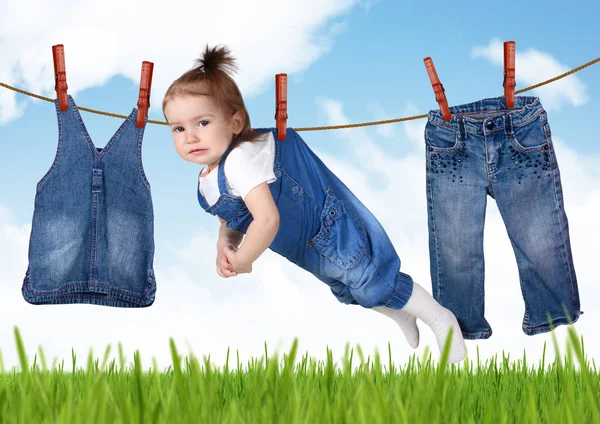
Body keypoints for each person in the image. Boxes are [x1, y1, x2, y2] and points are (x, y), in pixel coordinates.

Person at [162, 44, 467, 363]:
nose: (190, 137)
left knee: (366, 275)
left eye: (202, 123)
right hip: (304, 244)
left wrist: (243, 260)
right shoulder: (209, 177)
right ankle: (401, 312)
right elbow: (232, 216)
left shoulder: (239, 161)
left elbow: (266, 220)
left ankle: (440, 319)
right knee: (347, 286)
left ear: (235, 123)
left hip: (323, 222)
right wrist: (225, 245)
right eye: (178, 128)